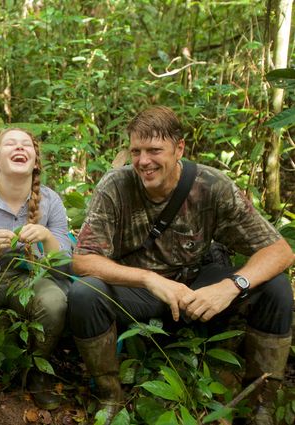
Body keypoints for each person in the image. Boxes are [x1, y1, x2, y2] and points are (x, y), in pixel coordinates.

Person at [68, 106, 294, 424]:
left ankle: (261, 403)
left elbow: (280, 250)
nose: (143, 161)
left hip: (198, 285)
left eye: (154, 150)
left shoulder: (212, 185)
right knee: (85, 292)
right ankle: (109, 397)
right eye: (136, 151)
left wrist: (231, 286)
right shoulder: (115, 186)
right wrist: (148, 278)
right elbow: (83, 259)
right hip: (141, 292)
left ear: (180, 148)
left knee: (276, 287)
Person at [0, 128, 71, 413]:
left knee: (55, 302)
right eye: (10, 144)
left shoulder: (51, 201)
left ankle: (36, 371)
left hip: (29, 278)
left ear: (35, 161)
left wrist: (45, 236)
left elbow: (65, 265)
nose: (19, 148)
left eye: (25, 145)